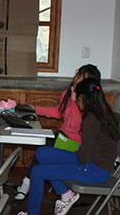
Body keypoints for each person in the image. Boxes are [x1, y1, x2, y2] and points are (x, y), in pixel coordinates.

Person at [7, 78, 119, 215]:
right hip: (92, 162)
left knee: (38, 172)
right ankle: (67, 194)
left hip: (94, 170)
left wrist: (66, 160)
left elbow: (84, 157)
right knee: (42, 153)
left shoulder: (91, 120)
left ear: (82, 97)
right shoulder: (102, 112)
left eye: (76, 96)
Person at [14, 64, 101, 200]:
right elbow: (58, 112)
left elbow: (84, 131)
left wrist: (77, 99)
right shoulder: (67, 95)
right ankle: (28, 183)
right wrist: (35, 109)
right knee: (45, 145)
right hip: (63, 136)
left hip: (76, 145)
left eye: (82, 78)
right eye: (78, 75)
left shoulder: (88, 104)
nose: (77, 79)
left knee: (45, 151)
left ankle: (27, 184)